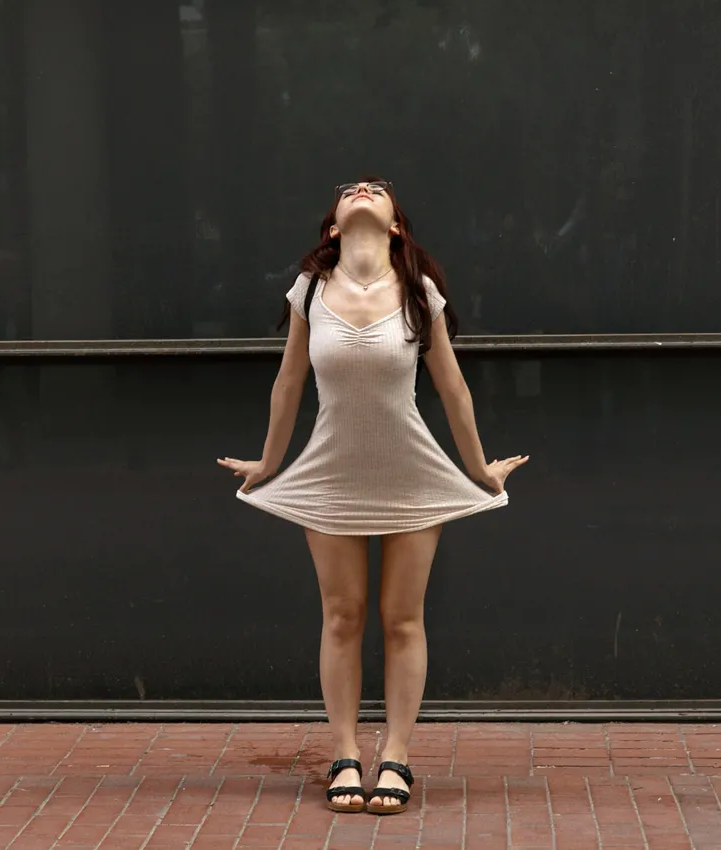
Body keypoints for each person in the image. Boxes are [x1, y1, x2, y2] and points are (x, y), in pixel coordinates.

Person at [218, 179, 528, 815]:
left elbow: (453, 390)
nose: (363, 189)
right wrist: (271, 464)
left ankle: (397, 756)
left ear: (395, 227)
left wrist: (479, 471)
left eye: (377, 189)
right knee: (342, 615)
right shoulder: (309, 291)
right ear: (333, 227)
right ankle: (345, 753)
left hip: (410, 472)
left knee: (402, 618)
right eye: (350, 190)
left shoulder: (421, 295)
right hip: (332, 472)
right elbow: (287, 385)